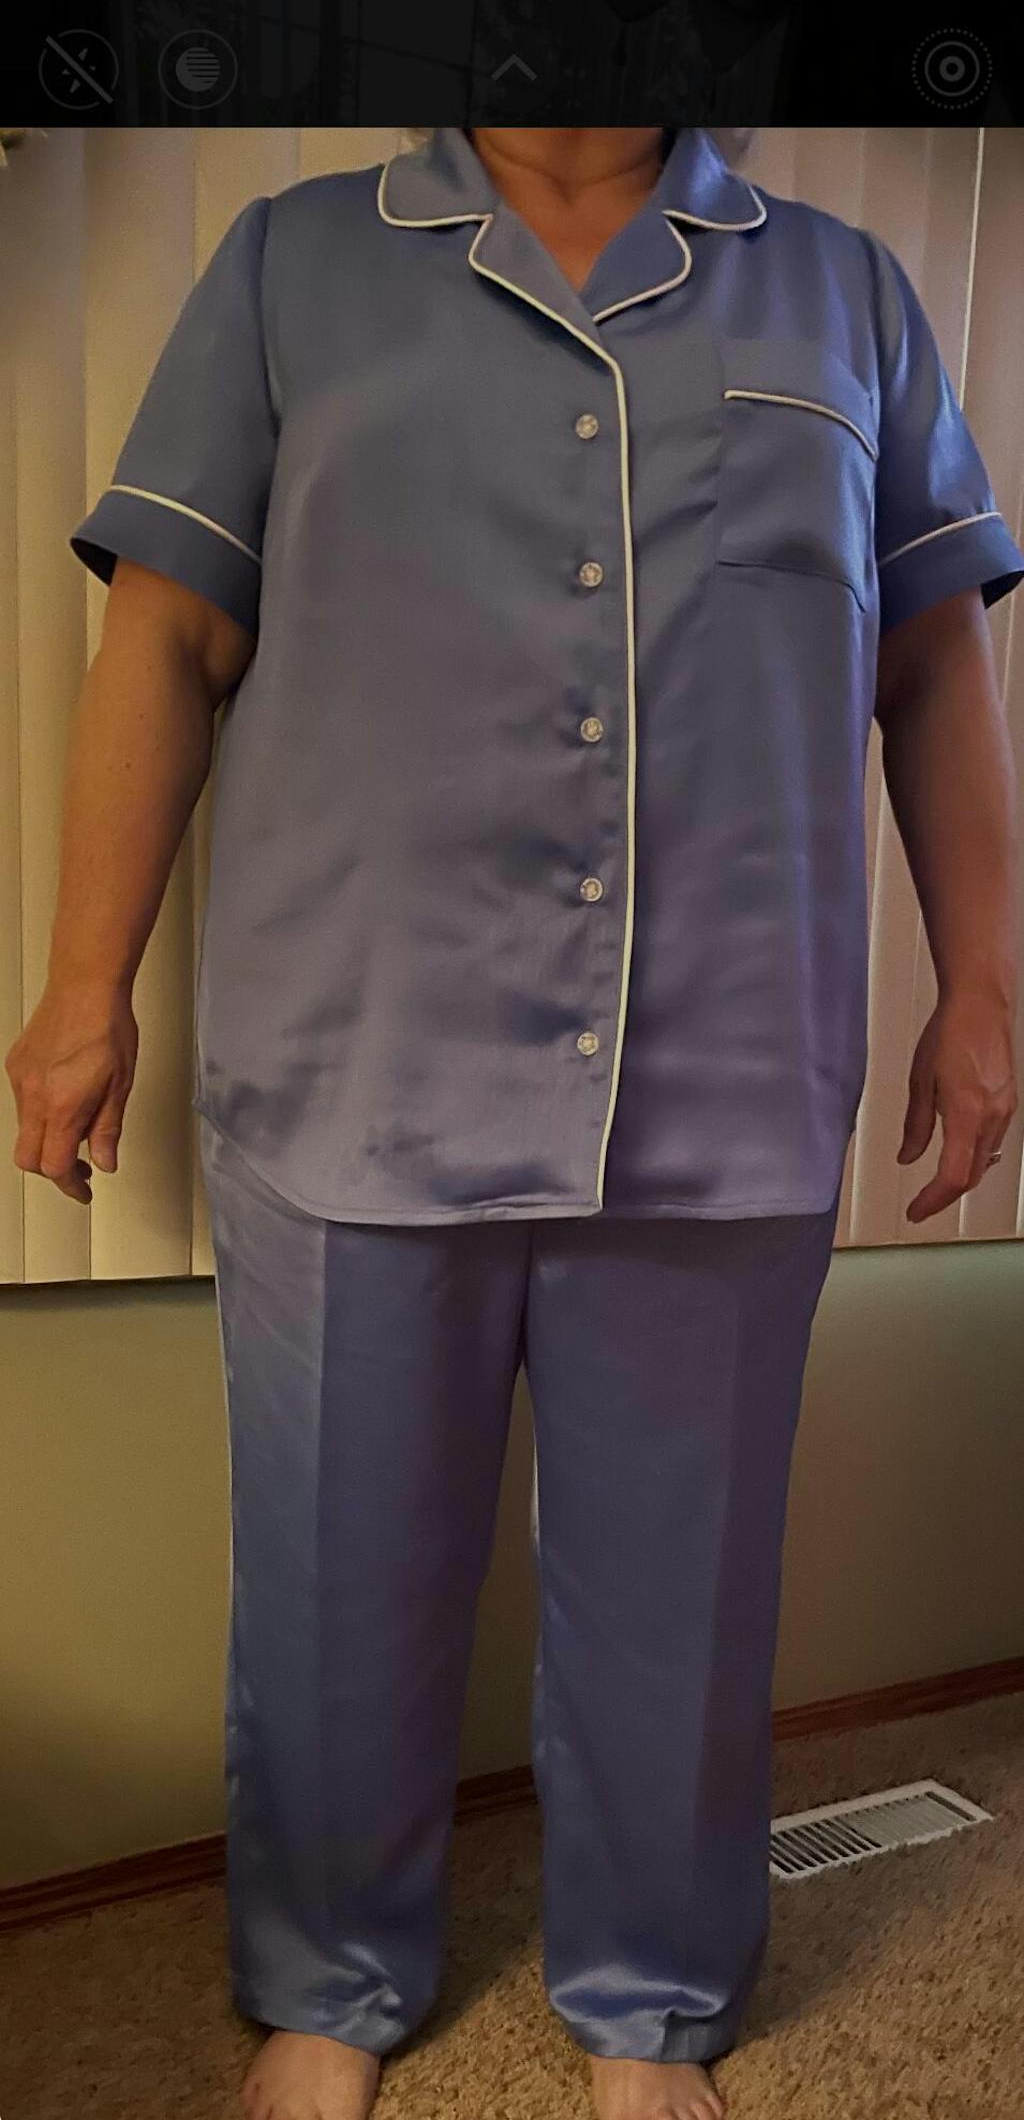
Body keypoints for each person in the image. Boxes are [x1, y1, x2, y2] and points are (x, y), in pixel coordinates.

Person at [6, 126, 1020, 2120]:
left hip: (723, 1064)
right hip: (359, 1047)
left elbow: (932, 660)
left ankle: (653, 1998)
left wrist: (981, 986)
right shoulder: (292, 263)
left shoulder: (846, 295)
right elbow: (168, 633)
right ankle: (327, 1973)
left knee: (682, 1586)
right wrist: (77, 984)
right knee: (334, 1570)